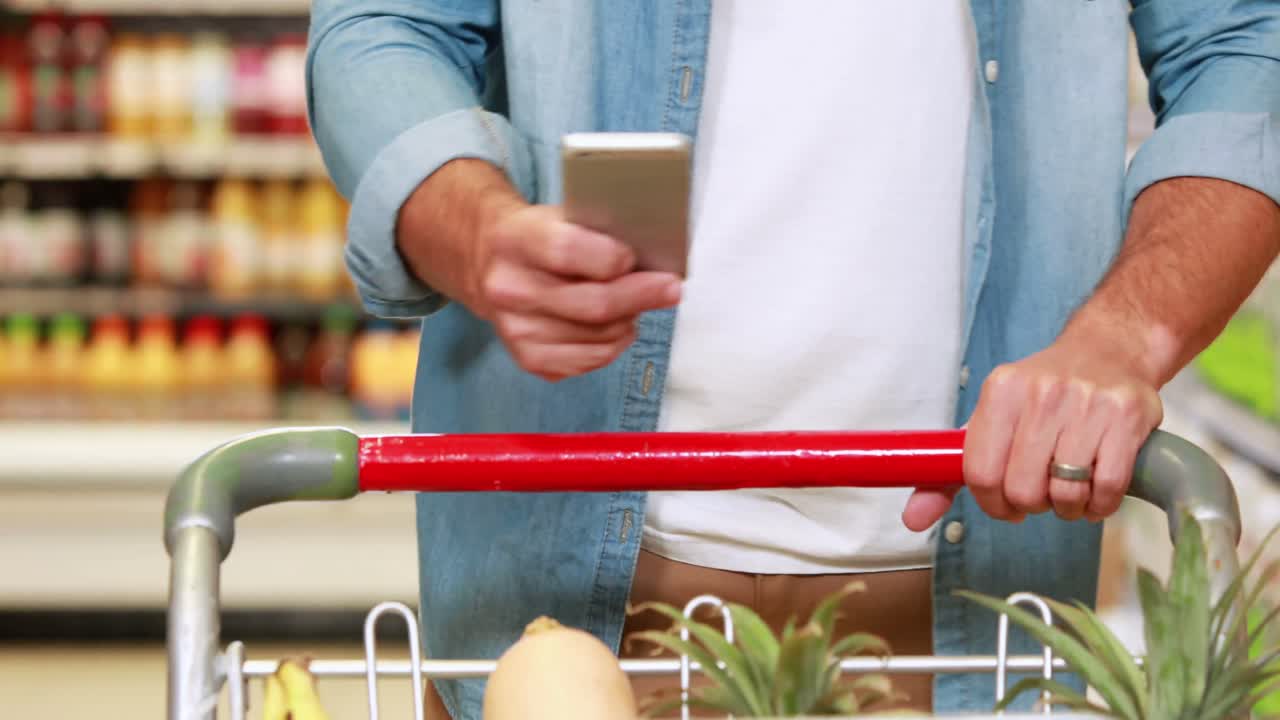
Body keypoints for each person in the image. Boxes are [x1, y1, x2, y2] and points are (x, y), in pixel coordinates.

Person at [306, 1, 1280, 716]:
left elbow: (1242, 42)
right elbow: (385, 25)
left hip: (976, 625)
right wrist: (470, 226)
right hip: (561, 623)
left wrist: (1124, 330)